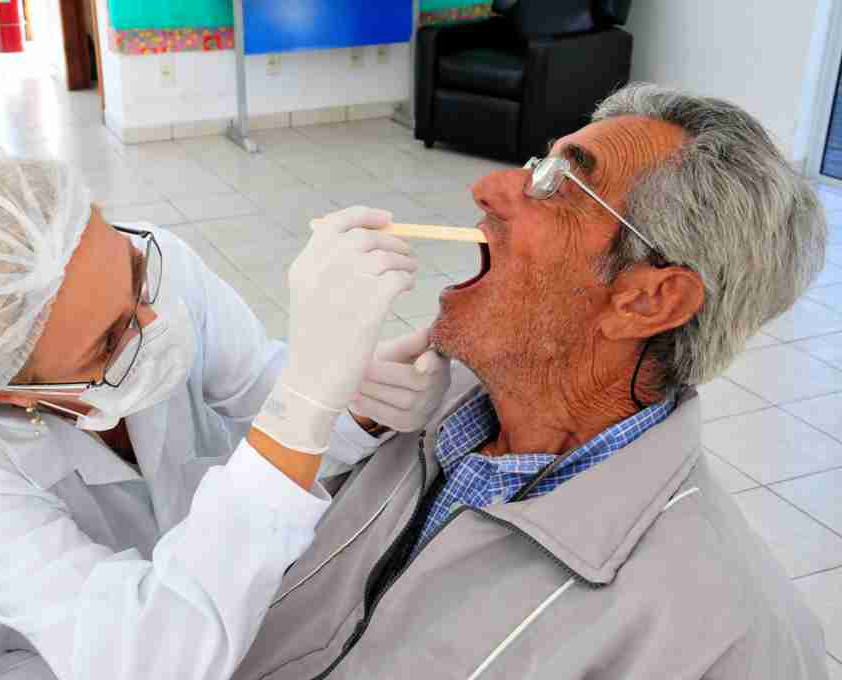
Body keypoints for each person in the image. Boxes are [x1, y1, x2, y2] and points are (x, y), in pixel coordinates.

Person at [231, 84, 831, 680]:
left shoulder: (730, 645)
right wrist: (335, 424)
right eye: (538, 166)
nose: (488, 188)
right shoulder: (401, 411)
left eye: (560, 186)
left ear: (648, 300)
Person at [0, 158, 452, 680]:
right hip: (9, 661)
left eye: (133, 273)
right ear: (12, 393)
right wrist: (304, 405)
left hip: (169, 591)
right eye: (109, 341)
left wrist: (358, 407)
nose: (155, 322)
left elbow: (260, 392)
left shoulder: (161, 264)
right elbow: (146, 658)